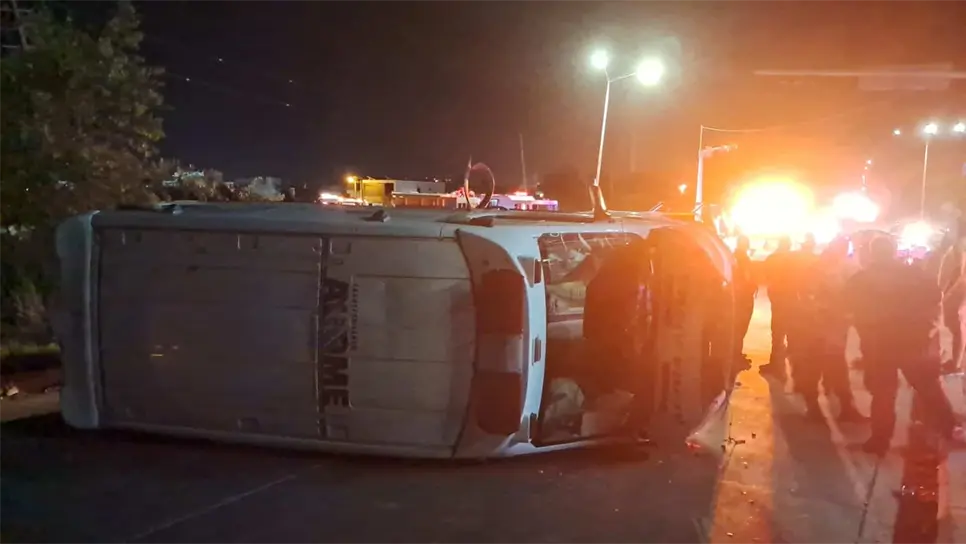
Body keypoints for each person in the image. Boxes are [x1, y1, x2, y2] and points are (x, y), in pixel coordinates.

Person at [845, 234, 965, 455]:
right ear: (894, 251)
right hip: (913, 343)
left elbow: (849, 308)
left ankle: (880, 441)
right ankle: (950, 429)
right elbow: (935, 295)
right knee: (929, 389)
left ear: (872, 253)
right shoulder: (913, 274)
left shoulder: (860, 280)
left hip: (879, 345)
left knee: (883, 394)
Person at [795, 236, 864, 422]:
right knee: (816, 367)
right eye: (841, 248)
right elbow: (808, 296)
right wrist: (823, 312)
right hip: (818, 327)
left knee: (836, 367)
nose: (843, 252)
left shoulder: (841, 267)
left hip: (834, 327)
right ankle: (814, 407)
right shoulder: (817, 270)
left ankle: (845, 407)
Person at [760, 236, 796, 377]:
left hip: (777, 296)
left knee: (777, 331)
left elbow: (766, 275)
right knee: (792, 329)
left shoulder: (772, 258)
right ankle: (794, 359)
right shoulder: (794, 259)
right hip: (792, 297)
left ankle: (775, 363)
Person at [938, 235, 966, 374]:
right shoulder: (957, 247)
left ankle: (956, 364)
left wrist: (949, 295)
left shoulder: (961, 247)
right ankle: (956, 362)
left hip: (959, 294)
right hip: (957, 292)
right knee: (956, 326)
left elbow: (963, 277)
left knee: (958, 327)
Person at [733, 235, 757, 368]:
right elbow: (747, 277)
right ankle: (736, 357)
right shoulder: (743, 259)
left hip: (738, 297)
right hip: (744, 298)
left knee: (737, 328)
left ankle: (736, 354)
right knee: (741, 327)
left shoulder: (733, 256)